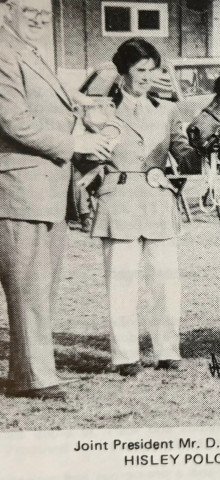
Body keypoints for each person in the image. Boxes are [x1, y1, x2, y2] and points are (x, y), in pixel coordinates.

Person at [0, 0, 112, 400]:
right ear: (5, 7)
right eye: (29, 8)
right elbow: (13, 122)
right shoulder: (2, 52)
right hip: (18, 188)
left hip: (46, 188)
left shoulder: (31, 52)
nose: (40, 17)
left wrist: (86, 117)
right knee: (29, 288)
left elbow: (50, 112)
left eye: (45, 11)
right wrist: (76, 141)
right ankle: (35, 378)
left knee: (41, 288)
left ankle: (27, 373)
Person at [90, 38, 200, 376]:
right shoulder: (101, 111)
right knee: (121, 283)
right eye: (141, 70)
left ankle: (167, 351)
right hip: (118, 200)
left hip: (156, 201)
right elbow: (85, 158)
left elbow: (184, 153)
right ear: (123, 72)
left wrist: (197, 151)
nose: (147, 77)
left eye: (153, 70)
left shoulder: (168, 110)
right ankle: (125, 357)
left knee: (166, 282)